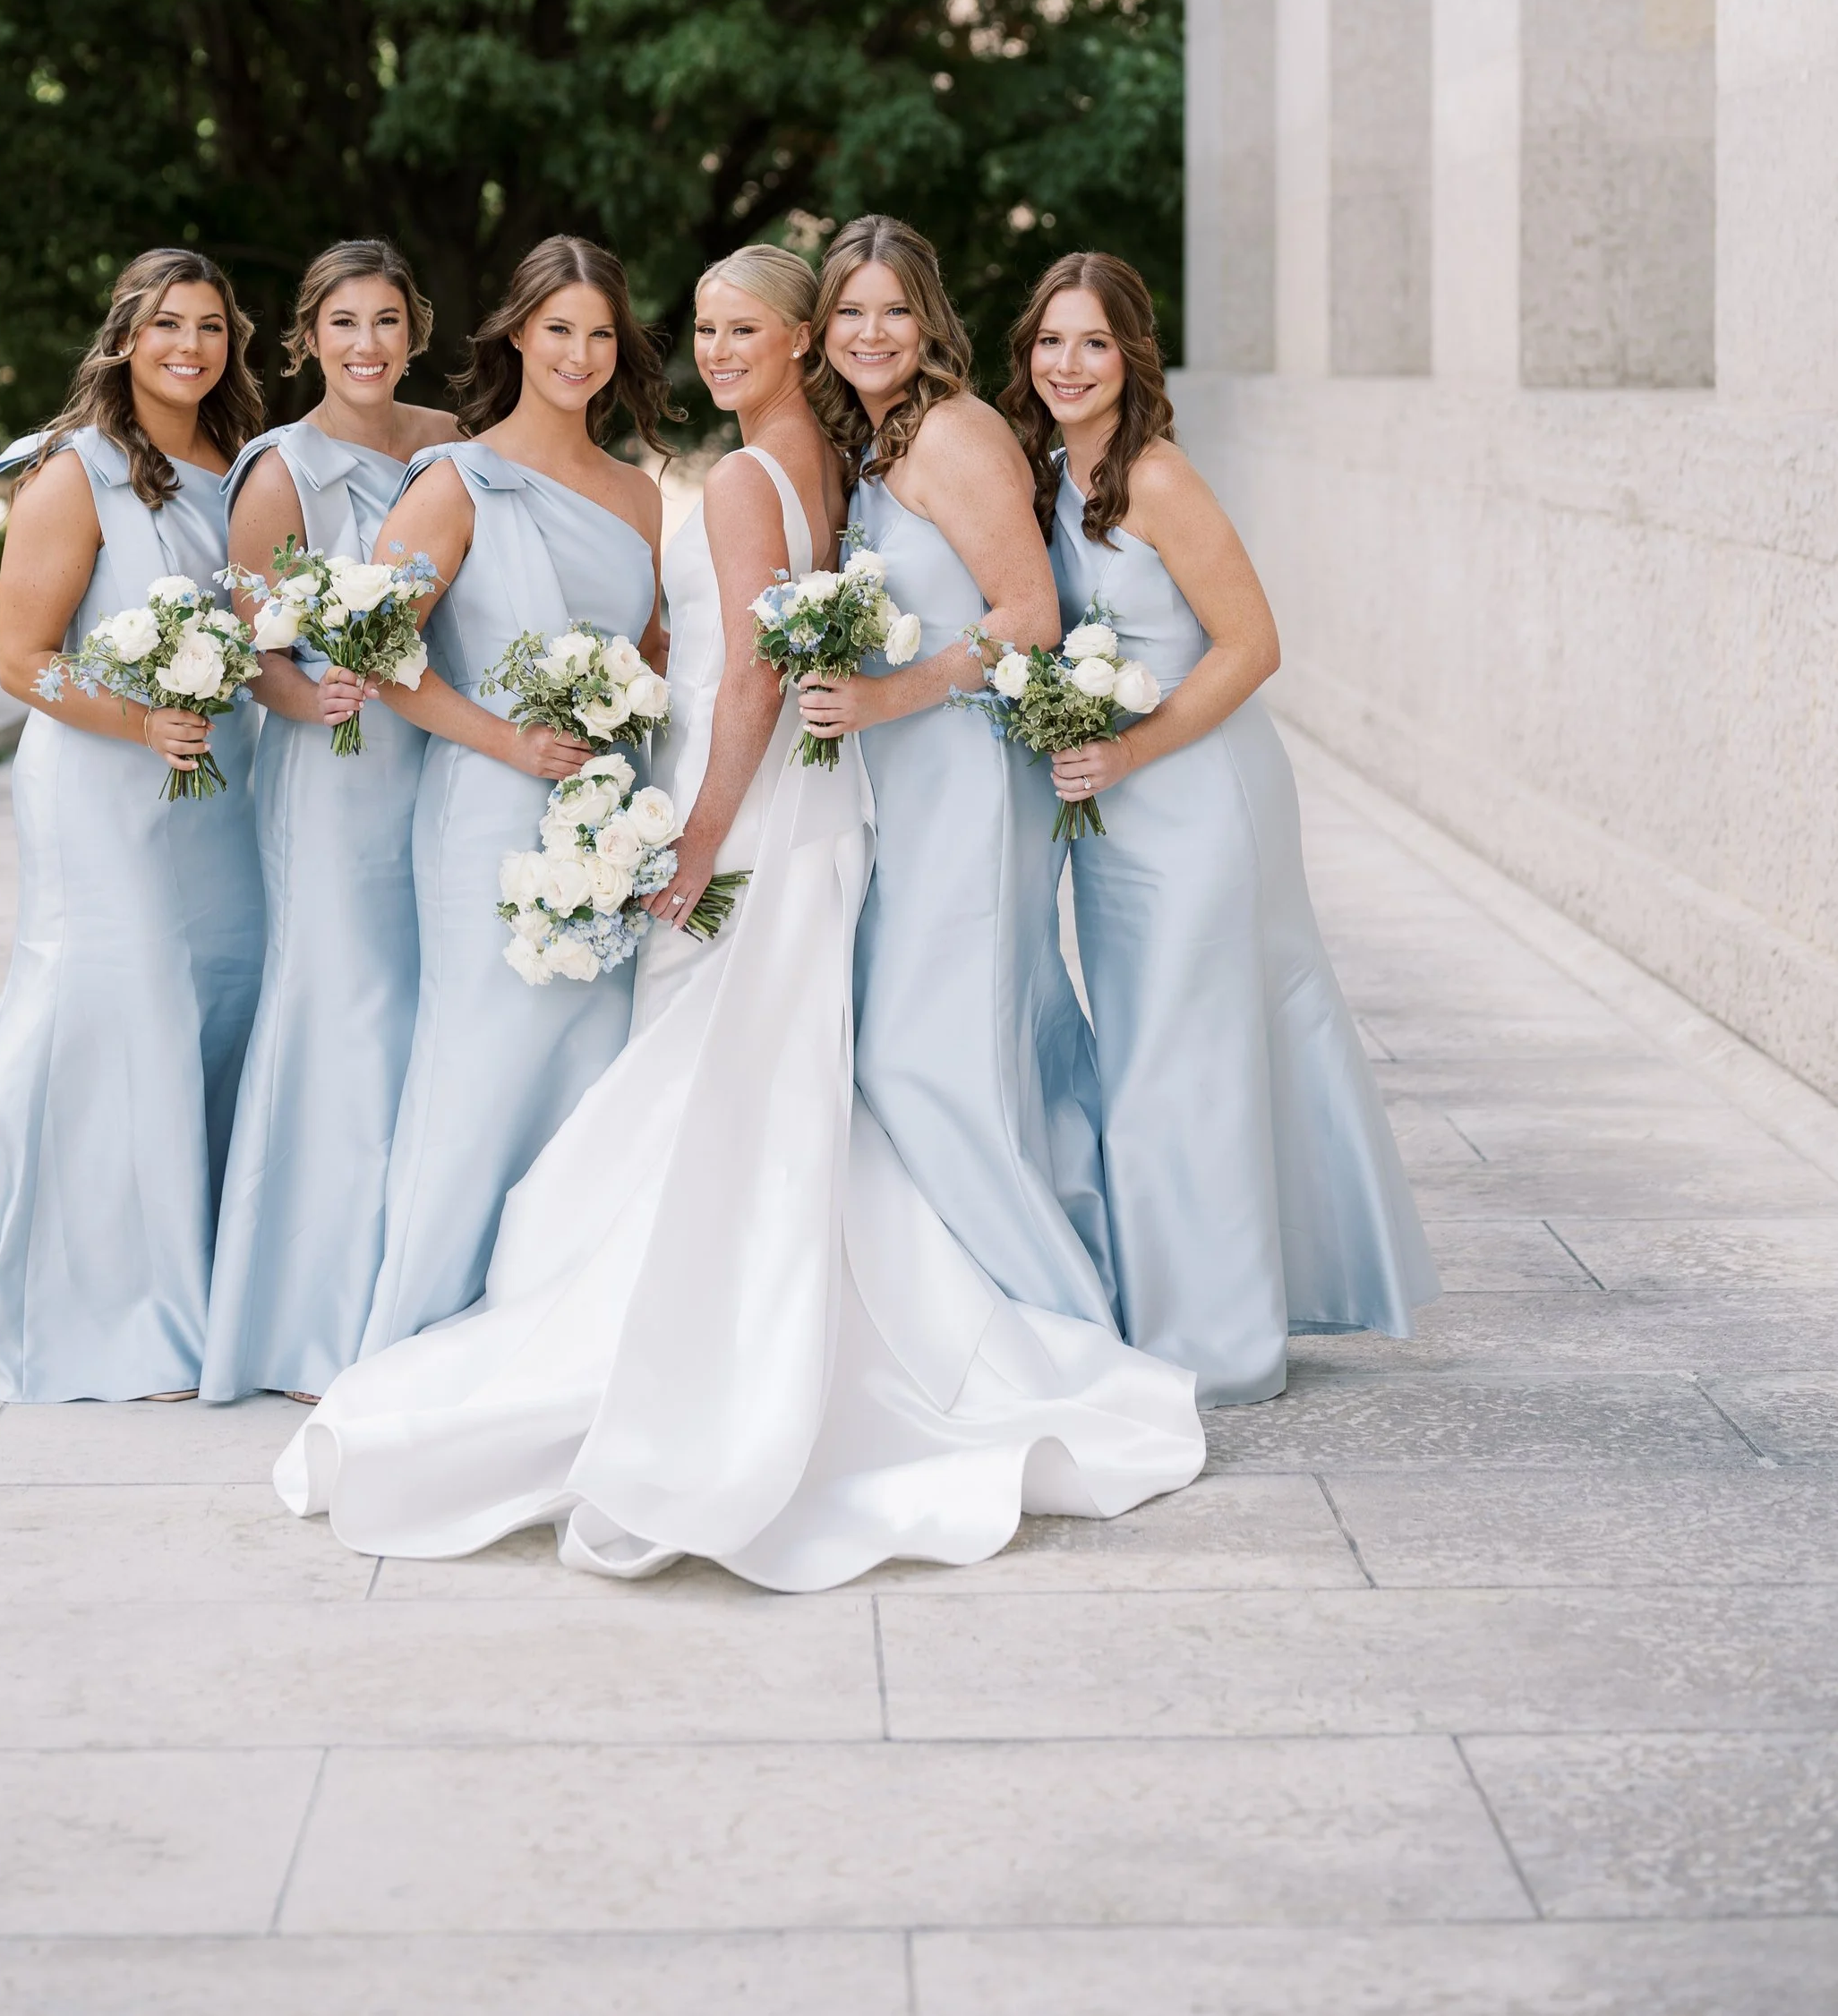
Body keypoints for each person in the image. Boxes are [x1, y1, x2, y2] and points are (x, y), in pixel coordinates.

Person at [273, 244, 1203, 1585]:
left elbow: (758, 684)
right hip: (802, 816)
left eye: (745, 327)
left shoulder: (759, 478)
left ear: (801, 338)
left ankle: (723, 1347)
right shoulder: (825, 466)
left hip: (755, 818)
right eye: (701, 327)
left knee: (726, 1082)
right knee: (768, 1084)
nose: (715, 349)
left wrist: (697, 843)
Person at [1006, 250, 1436, 1403]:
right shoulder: (1045, 473)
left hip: (1197, 797)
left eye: (1092, 342)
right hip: (1111, 811)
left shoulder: (1156, 479)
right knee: (1155, 1046)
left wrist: (1131, 750)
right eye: (1051, 341)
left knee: (1185, 1056)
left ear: (1130, 355)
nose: (1068, 363)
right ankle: (1188, 1300)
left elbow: (1253, 644)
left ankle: (1214, 1342)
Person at [0, 249, 267, 1403]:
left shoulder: (239, 469)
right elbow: (19, 661)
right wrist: (141, 725)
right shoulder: (70, 470)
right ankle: (103, 1316)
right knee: (113, 1010)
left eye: (210, 328)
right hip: (101, 785)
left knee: (210, 1004)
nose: (189, 347)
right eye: (166, 326)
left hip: (218, 785)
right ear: (124, 339)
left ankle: (180, 1279)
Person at [352, 236, 669, 1353]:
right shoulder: (456, 479)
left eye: (597, 334)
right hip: (487, 813)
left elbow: (659, 655)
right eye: (557, 330)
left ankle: (560, 1328)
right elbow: (375, 651)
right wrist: (508, 741)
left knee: (590, 1071)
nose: (578, 354)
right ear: (516, 335)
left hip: (611, 822)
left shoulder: (638, 494)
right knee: (481, 1068)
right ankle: (425, 1330)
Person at [799, 216, 1118, 1320]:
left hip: (974, 785)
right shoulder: (877, 446)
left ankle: (1047, 1311)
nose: (871, 331)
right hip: (915, 786)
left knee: (930, 1053)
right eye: (849, 310)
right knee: (967, 1040)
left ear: (928, 319)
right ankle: (989, 1293)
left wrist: (885, 696)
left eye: (893, 309)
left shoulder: (952, 433)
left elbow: (1026, 616)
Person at [199, 241, 455, 1405]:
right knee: (342, 1013)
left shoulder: (449, 440)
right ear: (306, 337)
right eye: (344, 322)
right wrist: (322, 694)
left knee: (424, 1011)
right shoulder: (276, 472)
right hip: (332, 767)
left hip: (440, 757)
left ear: (417, 330)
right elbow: (256, 657)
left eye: (387, 320)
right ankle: (311, 1323)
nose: (368, 345)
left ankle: (415, 1287)